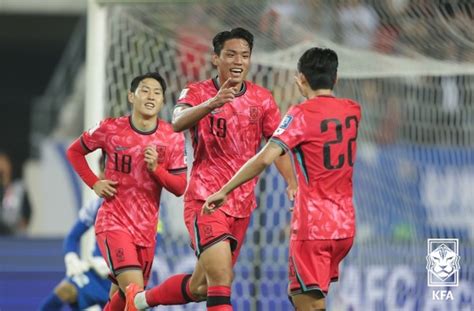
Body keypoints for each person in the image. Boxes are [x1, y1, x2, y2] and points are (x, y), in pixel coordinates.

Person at [125, 27, 296, 311]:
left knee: (201, 287)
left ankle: (139, 301)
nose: (238, 61)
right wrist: (213, 102)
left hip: (241, 206)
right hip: (206, 200)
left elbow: (275, 148)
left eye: (244, 55)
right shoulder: (197, 91)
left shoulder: (263, 99)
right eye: (230, 54)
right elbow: (177, 121)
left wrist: (292, 182)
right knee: (222, 279)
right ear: (216, 58)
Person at [203, 47, 361, 310]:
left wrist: (225, 189)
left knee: (309, 305)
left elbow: (265, 158)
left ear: (300, 79)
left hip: (313, 228)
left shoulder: (300, 114)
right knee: (310, 299)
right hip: (344, 227)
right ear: (336, 78)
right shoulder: (353, 110)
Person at [66, 71, 187, 311]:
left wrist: (157, 170)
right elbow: (74, 151)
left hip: (146, 230)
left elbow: (179, 187)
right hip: (114, 222)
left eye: (157, 92)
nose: (151, 96)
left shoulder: (172, 137)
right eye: (145, 90)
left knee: (122, 299)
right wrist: (94, 182)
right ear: (131, 96)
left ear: (163, 100)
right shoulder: (110, 128)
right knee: (135, 294)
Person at [39, 197, 111, 310]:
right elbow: (72, 237)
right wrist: (72, 259)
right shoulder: (97, 204)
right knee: (65, 290)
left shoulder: (141, 204)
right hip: (97, 272)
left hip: (127, 275)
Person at [0, 151, 32, 235]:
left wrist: (24, 221)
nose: (2, 166)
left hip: (16, 234)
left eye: (4, 162)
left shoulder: (18, 187)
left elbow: (27, 209)